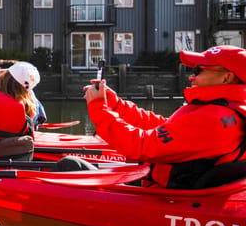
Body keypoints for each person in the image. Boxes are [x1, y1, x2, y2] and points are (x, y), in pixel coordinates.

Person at [84, 45, 246, 188]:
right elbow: (163, 126)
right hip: (172, 187)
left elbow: (141, 146)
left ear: (226, 78)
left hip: (164, 197)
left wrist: (99, 109)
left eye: (198, 70)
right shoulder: (223, 111)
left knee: (69, 165)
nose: (191, 76)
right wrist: (117, 106)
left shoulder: (212, 120)